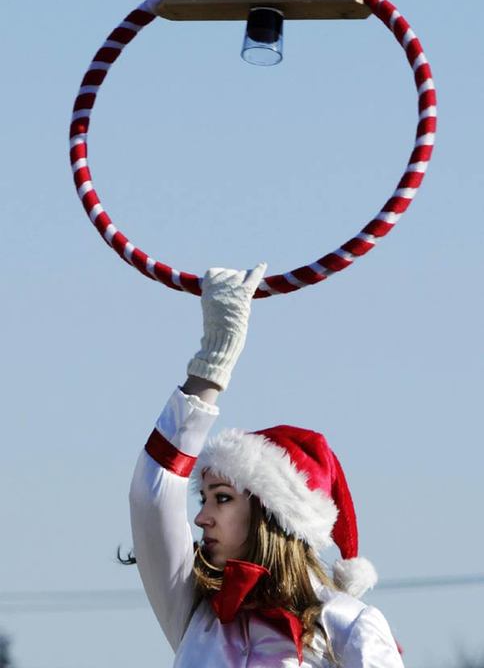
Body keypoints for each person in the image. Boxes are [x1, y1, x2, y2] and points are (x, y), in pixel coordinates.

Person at [129, 265, 404, 667]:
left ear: (271, 513)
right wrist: (213, 359)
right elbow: (151, 495)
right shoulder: (194, 609)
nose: (201, 518)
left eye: (221, 498)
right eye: (203, 498)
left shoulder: (350, 625)